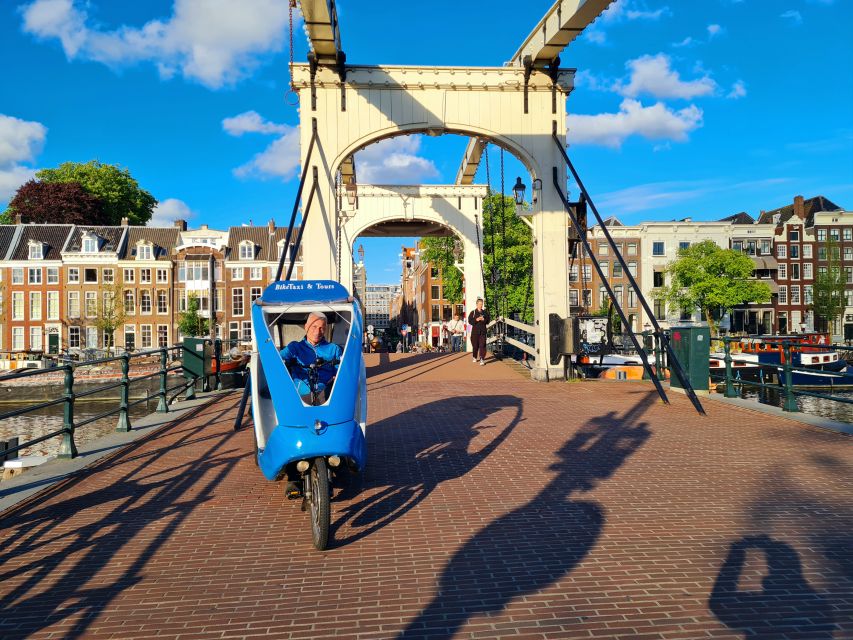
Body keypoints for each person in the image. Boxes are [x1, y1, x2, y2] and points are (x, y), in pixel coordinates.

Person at [280, 312, 342, 404]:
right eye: (314, 326)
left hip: (326, 395)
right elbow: (276, 359)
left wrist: (335, 377)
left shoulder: (334, 349)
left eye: (321, 328)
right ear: (306, 327)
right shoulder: (294, 347)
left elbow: (341, 373)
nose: (317, 332)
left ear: (325, 329)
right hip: (300, 395)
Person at [467, 298, 490, 365]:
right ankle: (474, 356)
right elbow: (470, 321)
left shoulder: (485, 312)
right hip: (475, 332)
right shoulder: (473, 312)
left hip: (483, 331)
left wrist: (483, 319)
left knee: (482, 345)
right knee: (475, 346)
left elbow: (488, 321)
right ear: (477, 304)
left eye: (481, 304)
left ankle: (482, 359)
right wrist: (476, 320)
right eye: (479, 304)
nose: (480, 305)